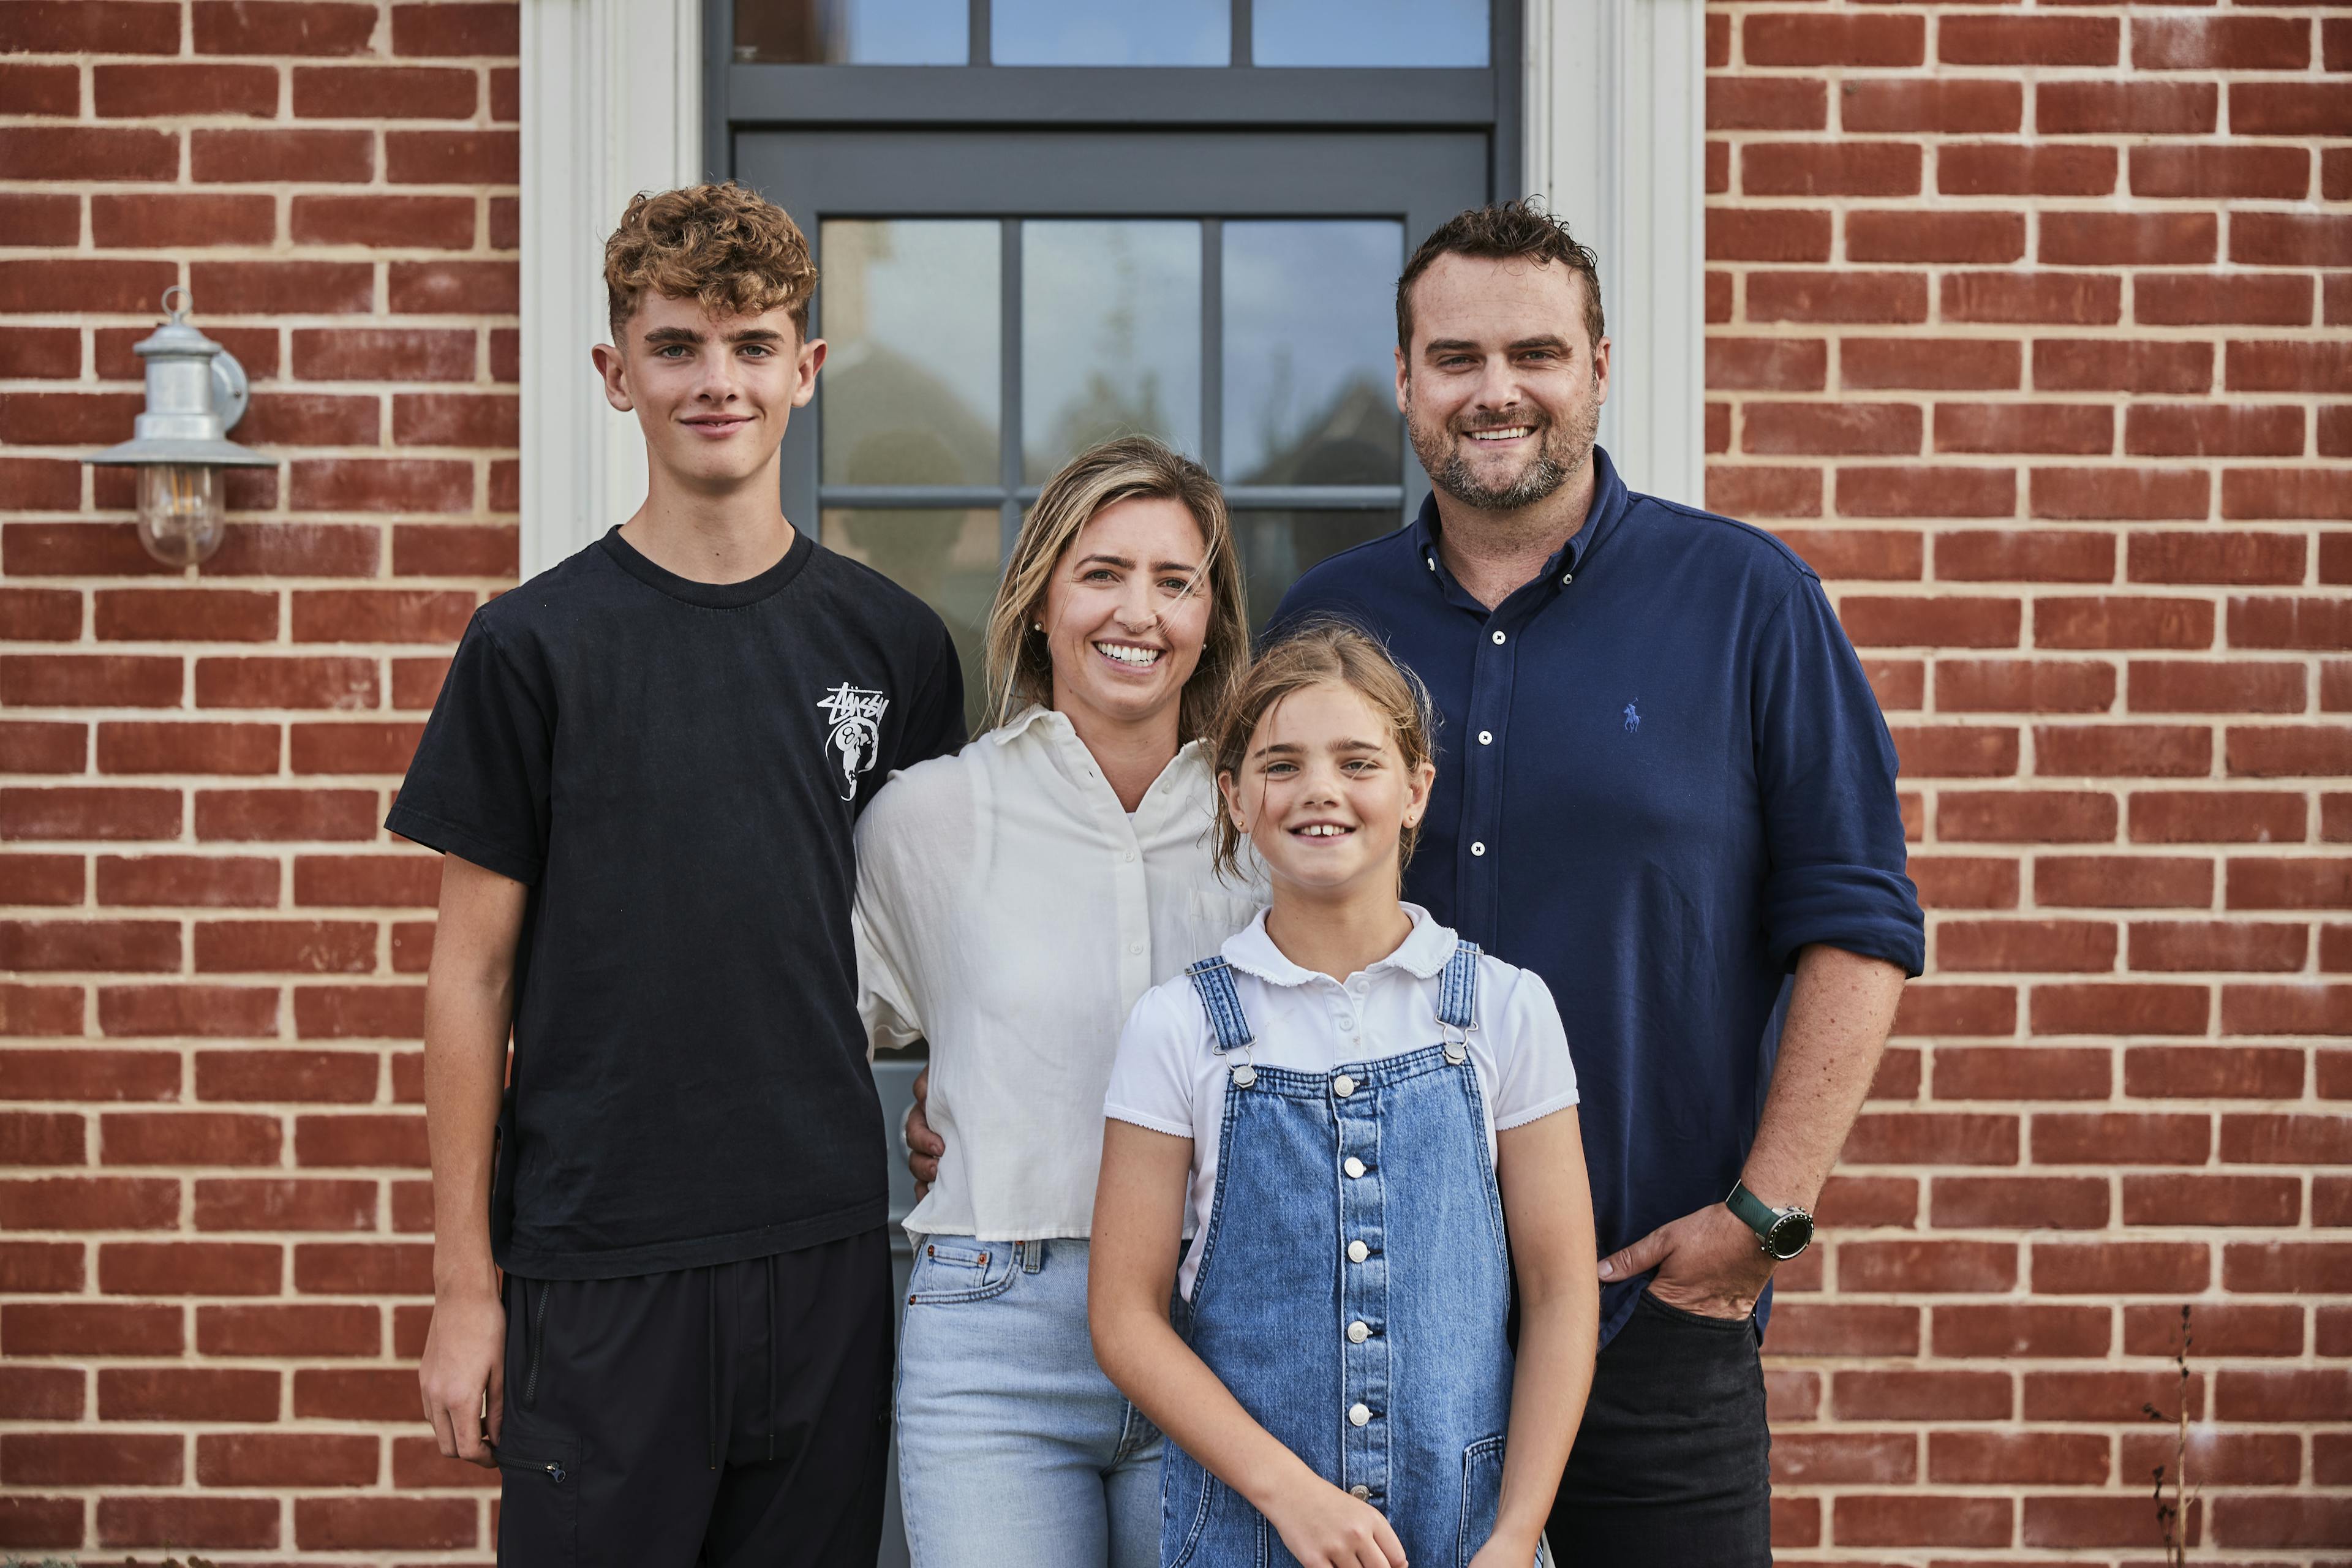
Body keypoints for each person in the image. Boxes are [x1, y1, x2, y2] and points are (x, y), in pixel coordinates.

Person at [1273, 202, 1925, 1559]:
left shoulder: (1750, 601)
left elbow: (1858, 927)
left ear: (1601, 369)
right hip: (1374, 1315)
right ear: (1405, 380)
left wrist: (1763, 1217)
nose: (1495, 390)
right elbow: (1246, 909)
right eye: (1455, 357)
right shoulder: (1327, 623)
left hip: (1652, 1310)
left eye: (1536, 353)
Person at [402, 183, 964, 1567]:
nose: (718, 380)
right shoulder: (531, 647)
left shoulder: (894, 645)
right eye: (677, 346)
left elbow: (942, 934)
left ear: (805, 370)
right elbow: (469, 978)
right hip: (599, 1257)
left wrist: (957, 1086)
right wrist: (464, 1285)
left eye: (753, 343)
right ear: (616, 373)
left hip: (827, 1244)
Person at [1089, 622, 1599, 1568]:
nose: (1320, 789)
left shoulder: (1501, 1010)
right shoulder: (1181, 1026)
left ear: (1416, 792)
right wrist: (1292, 1498)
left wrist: (1517, 1531)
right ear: (1236, 798)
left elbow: (1563, 1291)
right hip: (1249, 1535)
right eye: (1281, 765)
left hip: (1467, 1537)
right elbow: (1124, 1315)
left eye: (1357, 761)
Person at [854, 435, 1259, 1566]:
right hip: (998, 1341)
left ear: (1211, 620)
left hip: (1226, 1321)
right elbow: (815, 1036)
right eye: (1102, 573)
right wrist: (956, 1104)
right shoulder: (928, 818)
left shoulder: (1269, 827)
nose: (1139, 612)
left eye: (1176, 583)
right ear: (1038, 599)